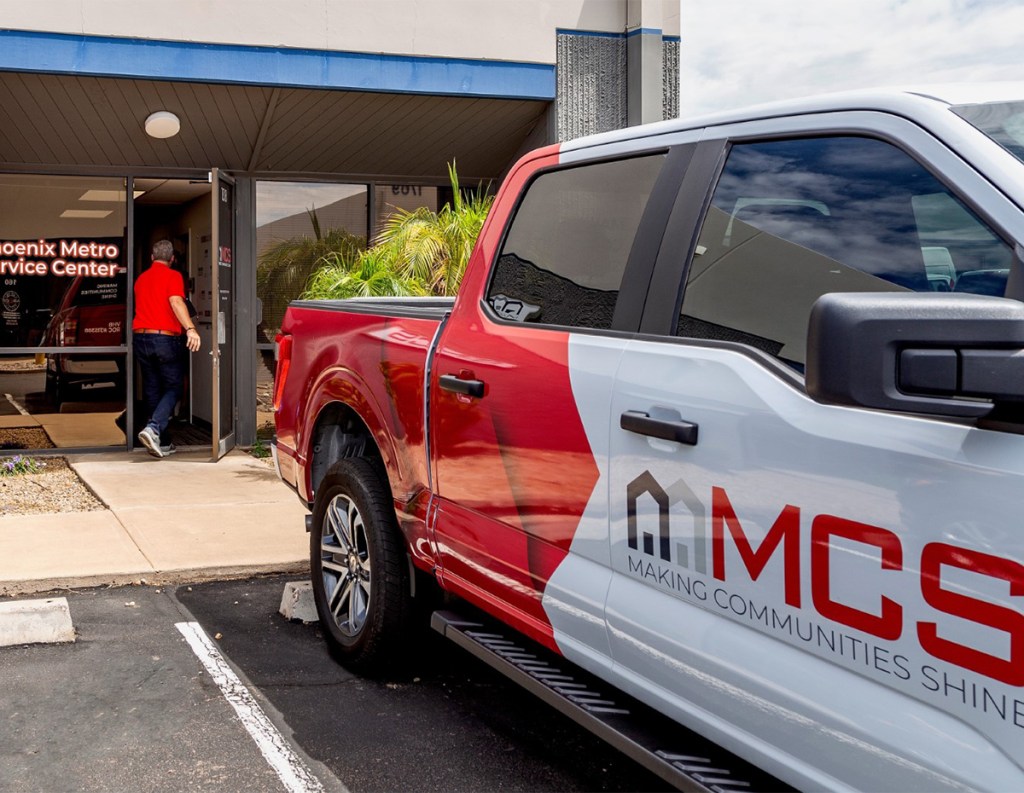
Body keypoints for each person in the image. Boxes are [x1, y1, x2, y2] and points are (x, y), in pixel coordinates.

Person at [133, 239, 201, 458]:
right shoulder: (173, 276)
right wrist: (190, 328)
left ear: (152, 258)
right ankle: (153, 428)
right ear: (172, 259)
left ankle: (161, 442)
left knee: (152, 388)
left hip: (141, 338)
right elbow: (176, 302)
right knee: (173, 387)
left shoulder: (141, 279)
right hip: (164, 339)